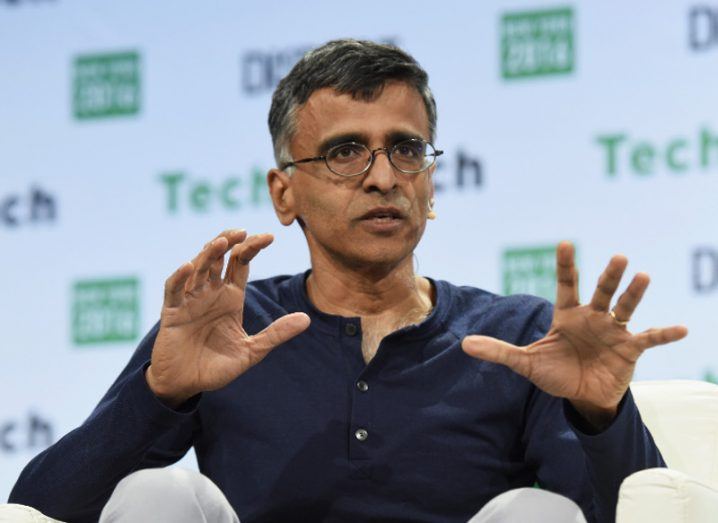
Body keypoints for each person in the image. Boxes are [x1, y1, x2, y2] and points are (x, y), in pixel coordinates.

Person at [7, 39, 687, 523]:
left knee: (536, 510)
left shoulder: (516, 337)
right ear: (285, 194)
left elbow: (629, 515)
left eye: (406, 149)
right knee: (159, 495)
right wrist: (161, 394)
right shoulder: (228, 325)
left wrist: (601, 414)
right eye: (345, 152)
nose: (384, 175)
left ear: (430, 181)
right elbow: (37, 509)